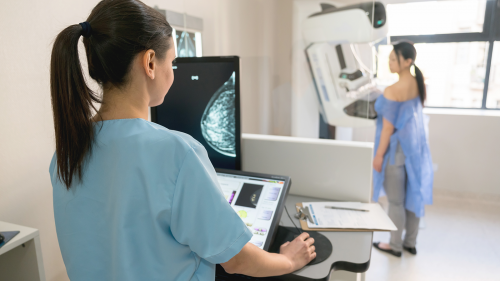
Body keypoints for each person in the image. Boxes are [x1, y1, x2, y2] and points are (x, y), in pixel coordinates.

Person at [48, 0, 316, 280]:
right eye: (172, 62)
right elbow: (236, 260)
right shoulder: (177, 153)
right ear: (150, 62)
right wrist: (287, 260)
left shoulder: (65, 156)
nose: (173, 71)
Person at [371, 41, 434, 257]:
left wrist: (379, 156)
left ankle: (395, 245)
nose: (389, 62)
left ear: (407, 61)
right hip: (414, 148)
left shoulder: (392, 89)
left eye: (393, 59)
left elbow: (388, 128)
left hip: (395, 152)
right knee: (412, 194)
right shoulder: (418, 83)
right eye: (388, 58)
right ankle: (410, 242)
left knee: (396, 201)